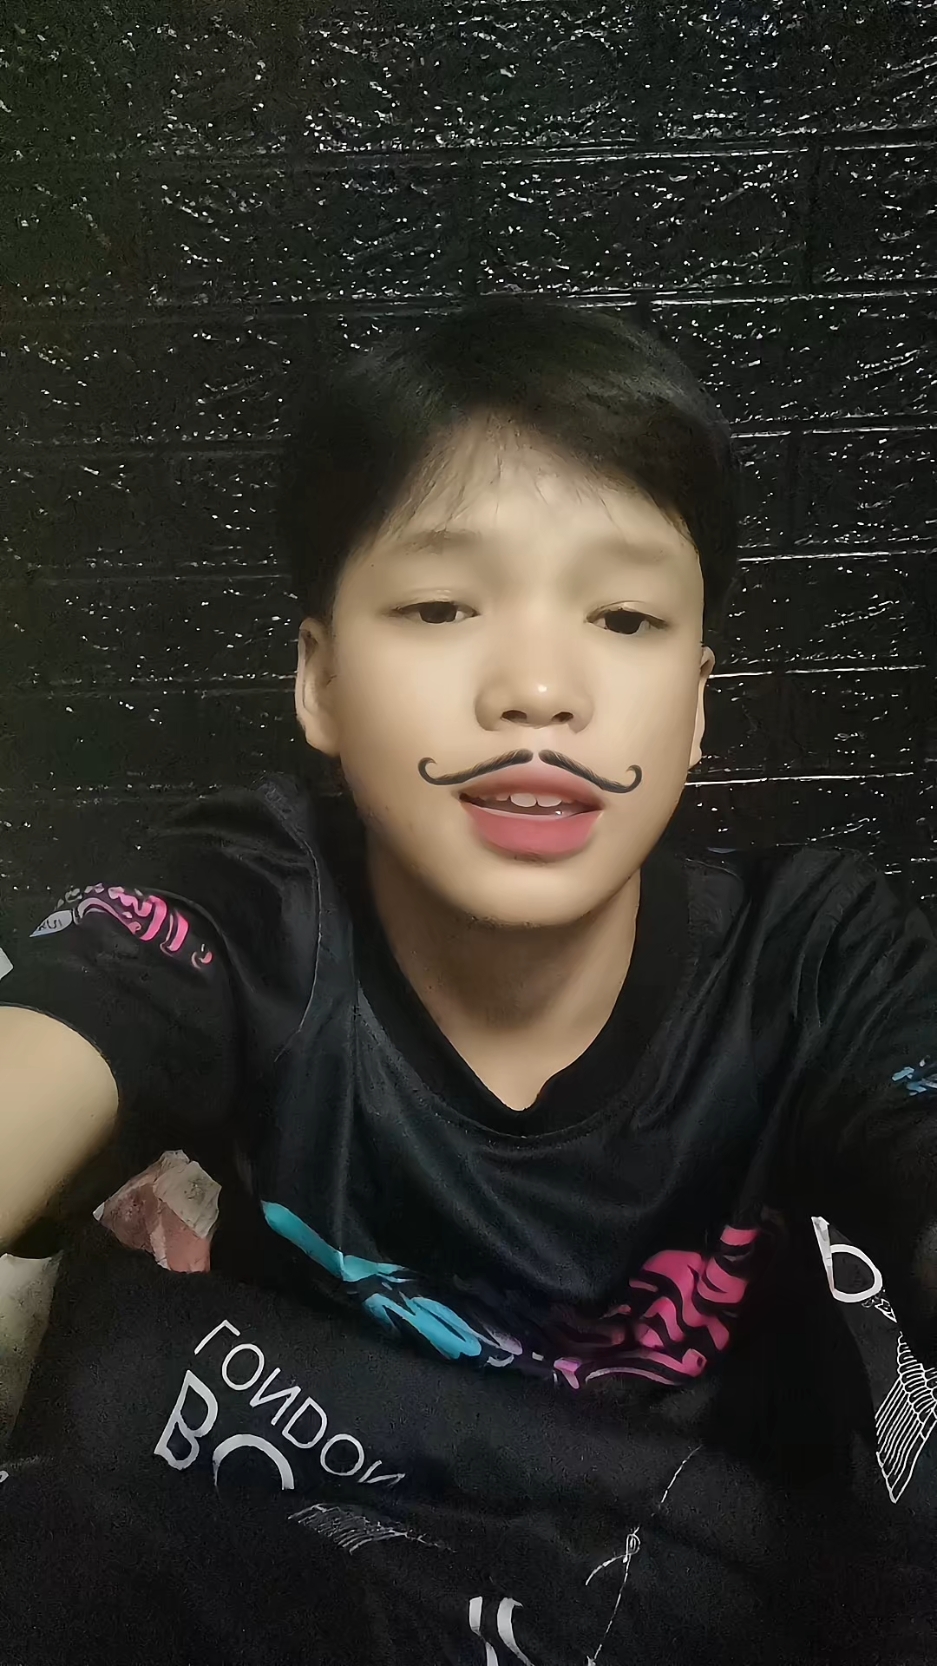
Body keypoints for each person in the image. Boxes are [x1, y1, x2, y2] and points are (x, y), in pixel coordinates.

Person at [0, 296, 935, 1664]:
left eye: (623, 615)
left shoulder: (812, 955)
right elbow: (77, 1020)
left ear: (693, 707)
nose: (538, 691)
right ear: (321, 681)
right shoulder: (255, 908)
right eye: (440, 606)